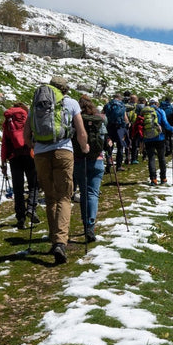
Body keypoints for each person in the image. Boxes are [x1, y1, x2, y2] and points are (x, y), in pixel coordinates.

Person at [27, 76, 88, 264]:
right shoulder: (70, 103)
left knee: (51, 197)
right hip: (63, 151)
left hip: (41, 154)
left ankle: (55, 239)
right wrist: (84, 147)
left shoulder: (37, 104)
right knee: (64, 196)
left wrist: (34, 148)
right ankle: (61, 242)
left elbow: (25, 135)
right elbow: (81, 131)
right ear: (65, 89)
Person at [73, 96, 106, 242]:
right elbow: (104, 138)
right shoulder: (99, 119)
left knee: (84, 193)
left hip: (80, 160)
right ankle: (90, 225)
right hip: (97, 160)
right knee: (93, 194)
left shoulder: (76, 119)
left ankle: (85, 225)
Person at [2, 101, 38, 230]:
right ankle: (31, 208)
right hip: (29, 154)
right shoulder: (27, 118)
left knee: (18, 189)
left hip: (14, 157)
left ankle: (20, 219)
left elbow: (5, 142)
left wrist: (3, 162)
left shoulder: (8, 121)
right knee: (33, 184)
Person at [139, 98, 173, 185]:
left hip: (147, 138)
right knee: (161, 158)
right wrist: (172, 129)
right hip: (159, 137)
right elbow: (165, 123)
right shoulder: (160, 111)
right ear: (156, 103)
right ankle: (163, 178)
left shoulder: (143, 112)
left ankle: (153, 179)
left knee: (151, 158)